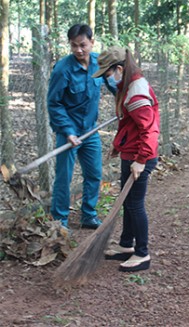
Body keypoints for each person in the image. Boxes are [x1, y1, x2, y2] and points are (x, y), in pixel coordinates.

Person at [93, 46, 160, 272]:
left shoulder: (136, 92)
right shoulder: (128, 86)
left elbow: (149, 131)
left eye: (107, 74)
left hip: (141, 156)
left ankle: (142, 254)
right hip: (131, 153)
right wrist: (117, 145)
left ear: (119, 69)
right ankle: (126, 245)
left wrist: (141, 160)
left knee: (134, 204)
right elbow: (127, 123)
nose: (106, 79)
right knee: (127, 202)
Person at [47, 24, 104, 230]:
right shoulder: (63, 69)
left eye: (83, 45)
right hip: (69, 132)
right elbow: (54, 103)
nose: (79, 50)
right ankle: (60, 222)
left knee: (95, 174)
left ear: (92, 42)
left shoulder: (99, 62)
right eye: (74, 46)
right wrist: (68, 132)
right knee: (64, 177)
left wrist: (124, 102)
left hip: (91, 131)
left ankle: (88, 215)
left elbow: (114, 84)